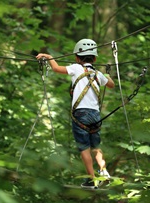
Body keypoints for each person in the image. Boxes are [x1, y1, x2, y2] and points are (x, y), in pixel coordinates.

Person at [36, 38, 115, 189]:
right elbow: (111, 85)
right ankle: (104, 171)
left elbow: (56, 69)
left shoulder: (75, 68)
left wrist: (49, 57)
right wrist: (107, 76)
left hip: (81, 115)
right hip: (96, 115)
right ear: (95, 58)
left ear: (77, 58)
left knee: (84, 147)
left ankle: (92, 179)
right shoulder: (98, 74)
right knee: (95, 145)